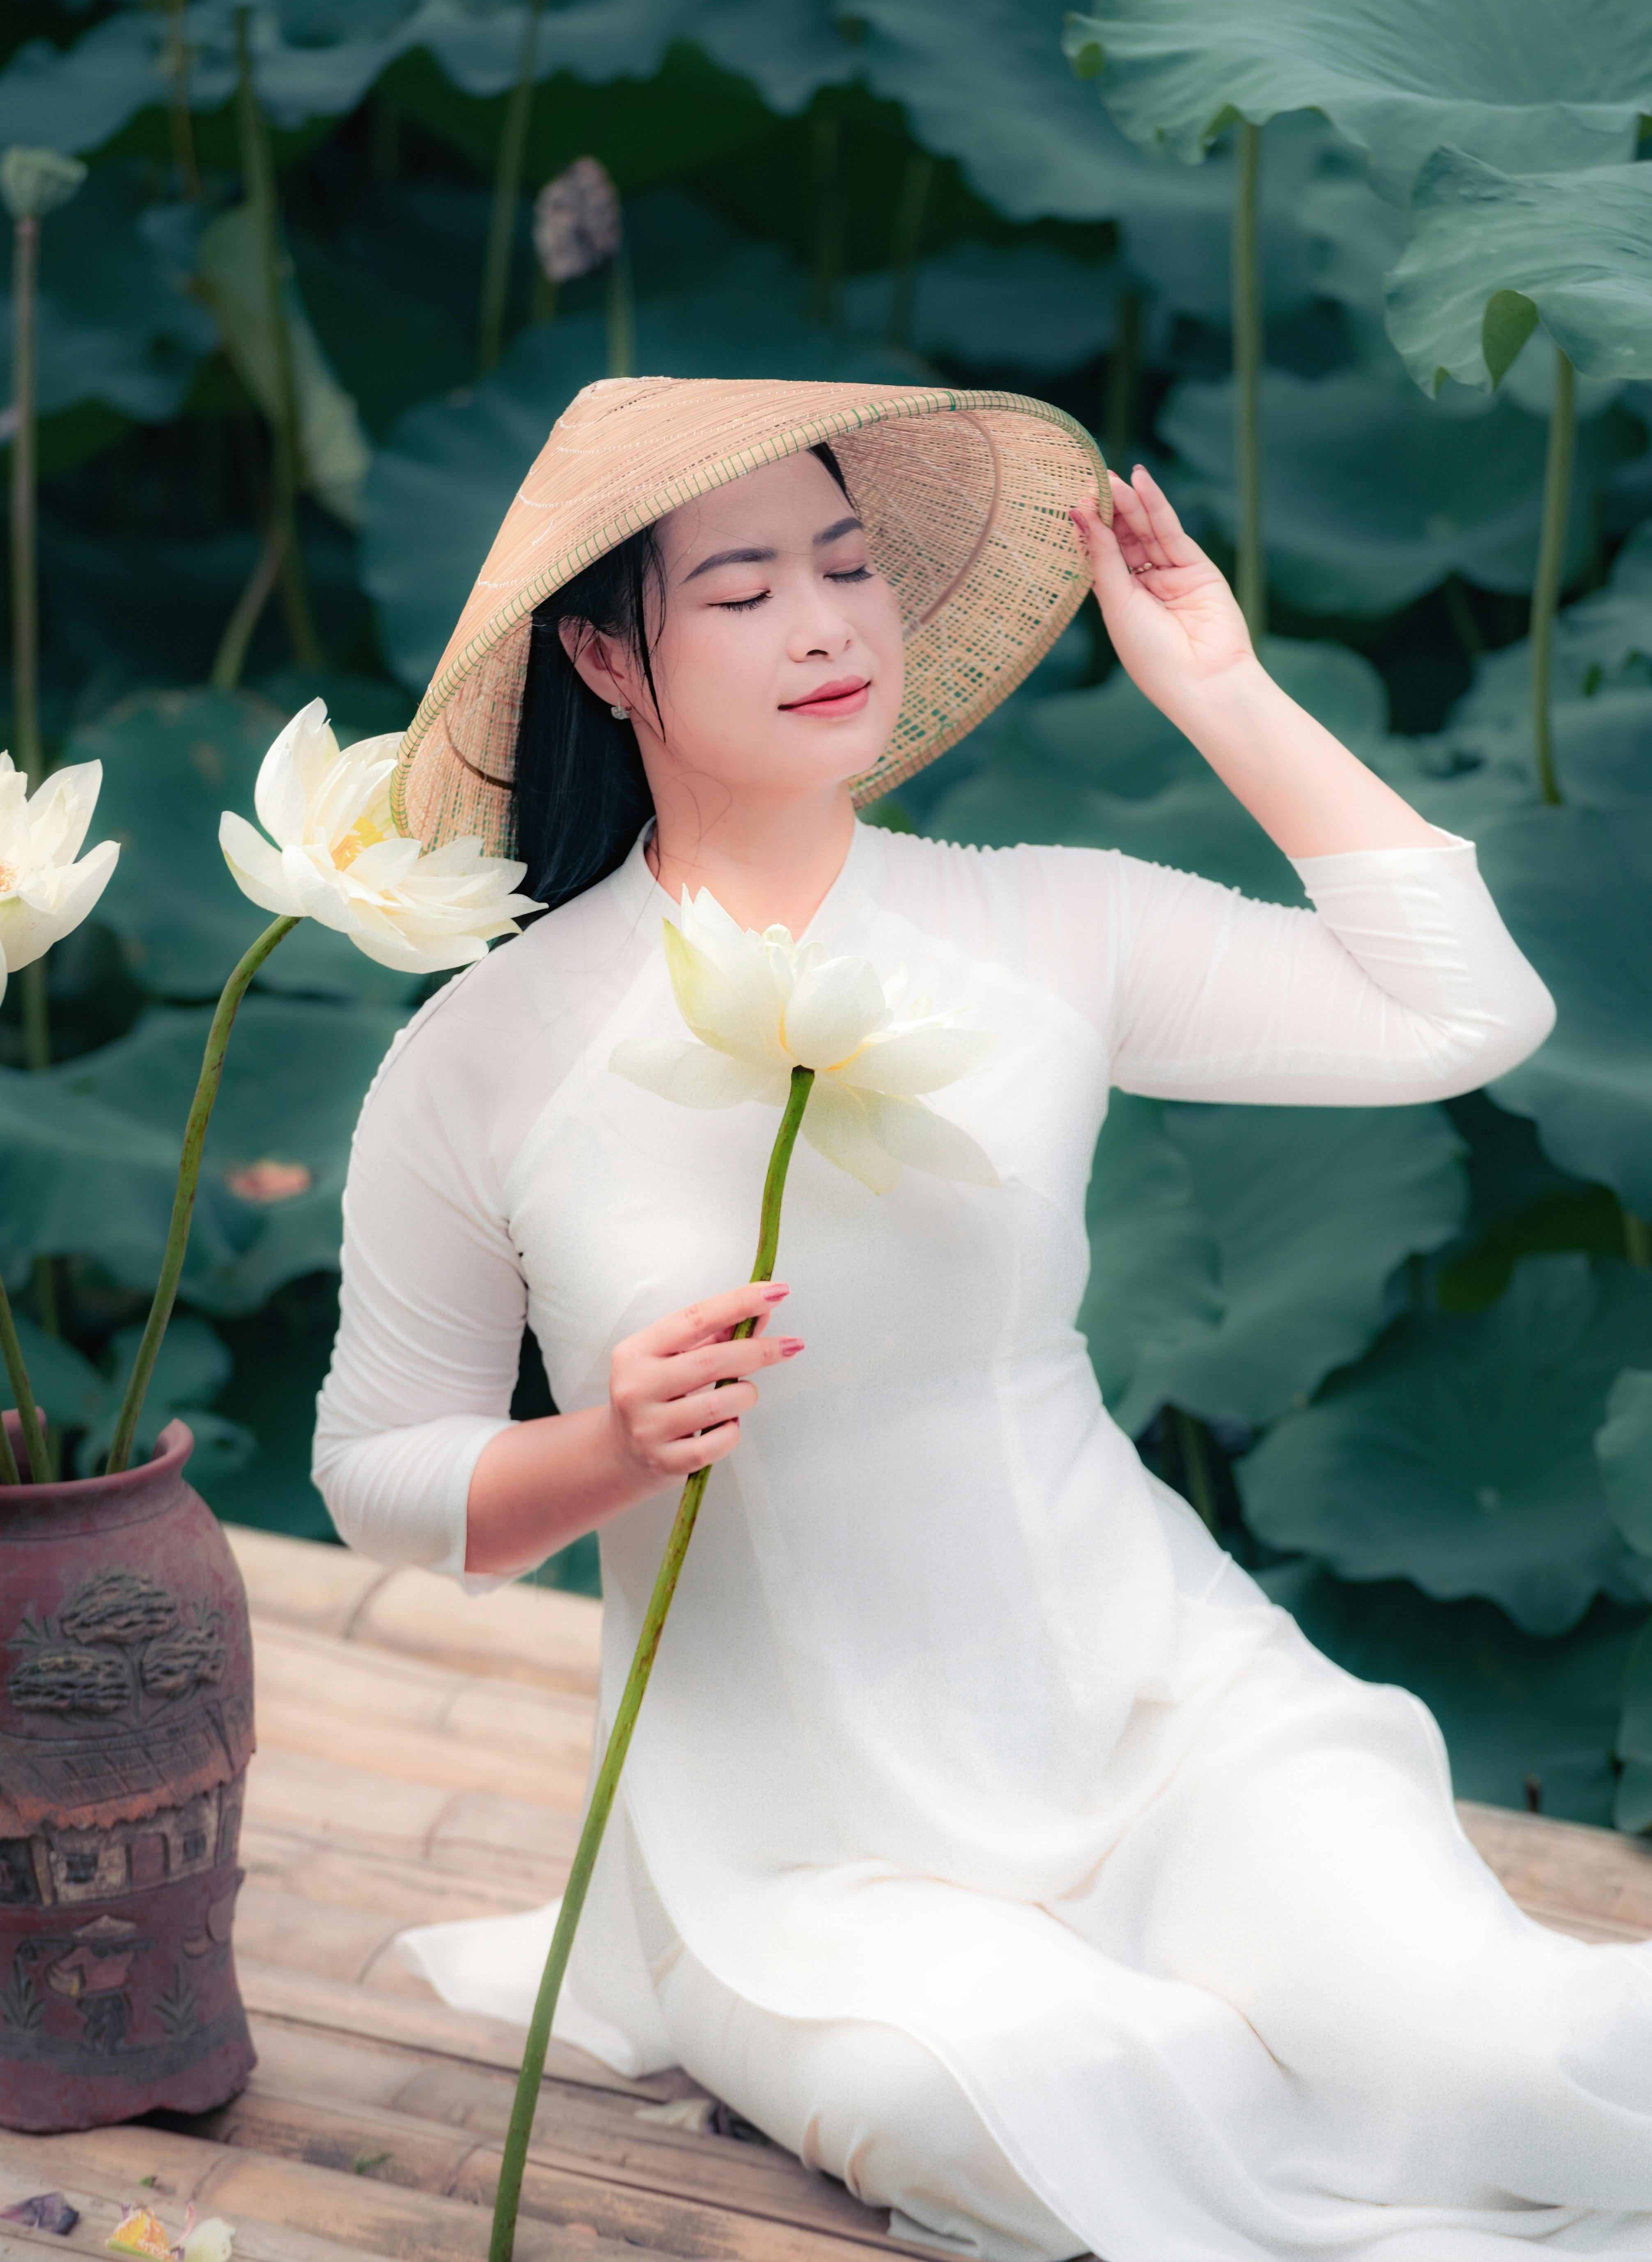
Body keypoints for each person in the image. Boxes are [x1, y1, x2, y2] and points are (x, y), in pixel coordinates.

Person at [314, 376, 1652, 2262]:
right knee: (1027, 2109)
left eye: (849, 565)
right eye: (746, 587)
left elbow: (1468, 1017)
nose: (825, 621)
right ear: (609, 657)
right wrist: (601, 1449)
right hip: (782, 1856)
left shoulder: (1047, 928)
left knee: (1479, 2046)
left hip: (1163, 1724)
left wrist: (1221, 687)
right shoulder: (485, 1054)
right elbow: (376, 1470)